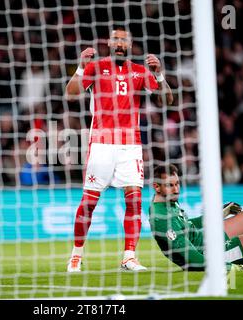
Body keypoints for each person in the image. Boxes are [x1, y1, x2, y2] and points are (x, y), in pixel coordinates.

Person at [64, 26, 173, 272]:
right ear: (109, 44)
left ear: (131, 44)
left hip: (130, 145)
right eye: (116, 40)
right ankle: (76, 256)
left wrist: (159, 75)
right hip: (101, 143)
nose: (120, 43)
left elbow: (167, 100)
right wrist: (81, 66)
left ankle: (129, 257)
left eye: (124, 40)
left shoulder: (139, 71)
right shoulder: (96, 67)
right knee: (89, 203)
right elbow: (70, 94)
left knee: (134, 201)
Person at [149, 164, 243, 271]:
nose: (176, 189)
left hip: (204, 239)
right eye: (171, 185)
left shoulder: (169, 202)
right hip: (208, 254)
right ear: (156, 187)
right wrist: (232, 267)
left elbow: (190, 225)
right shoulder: (161, 219)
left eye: (177, 184)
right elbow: (192, 259)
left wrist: (219, 213)